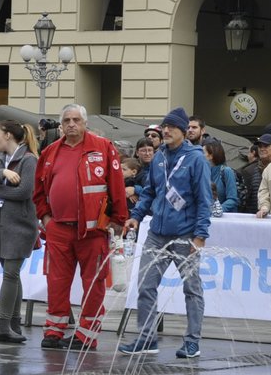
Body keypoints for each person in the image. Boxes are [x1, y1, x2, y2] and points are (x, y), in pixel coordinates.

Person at [32, 103, 128, 351]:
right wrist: (46, 219)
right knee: (56, 282)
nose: (71, 124)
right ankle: (54, 330)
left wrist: (118, 219)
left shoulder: (103, 148)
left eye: (76, 120)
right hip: (59, 230)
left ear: (85, 123)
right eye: (67, 120)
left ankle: (86, 335)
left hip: (93, 231)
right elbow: (39, 191)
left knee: (93, 284)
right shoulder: (50, 152)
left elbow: (116, 185)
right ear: (61, 125)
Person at [120, 109, 211, 360]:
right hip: (156, 233)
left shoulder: (195, 159)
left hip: (185, 235)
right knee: (146, 285)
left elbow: (204, 199)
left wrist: (200, 235)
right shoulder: (159, 158)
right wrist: (136, 216)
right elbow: (149, 191)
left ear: (184, 131)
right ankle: (147, 338)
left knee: (192, 289)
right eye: (164, 126)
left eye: (172, 127)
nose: (166, 130)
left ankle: (192, 341)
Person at [0, 120, 38, 345]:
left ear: (7, 136)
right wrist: (2, 173)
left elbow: (25, 191)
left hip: (19, 225)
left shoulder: (29, 159)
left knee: (10, 274)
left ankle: (4, 325)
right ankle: (14, 322)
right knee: (11, 273)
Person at [237, 135, 271, 215]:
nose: (262, 149)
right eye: (260, 146)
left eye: (266, 146)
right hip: (255, 217)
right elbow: (245, 199)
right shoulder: (248, 171)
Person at [204, 140, 239, 214]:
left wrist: (217, 210)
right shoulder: (203, 173)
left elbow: (232, 199)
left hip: (223, 219)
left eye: (203, 153)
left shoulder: (226, 171)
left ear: (211, 156)